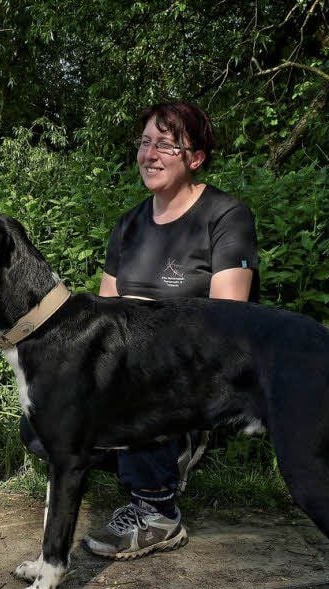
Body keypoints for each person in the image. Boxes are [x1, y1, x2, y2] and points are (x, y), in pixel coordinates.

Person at [82, 102, 259, 559]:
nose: (150, 154)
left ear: (194, 157)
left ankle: (158, 511)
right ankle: (158, 455)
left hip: (199, 367)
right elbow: (106, 310)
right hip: (129, 362)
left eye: (165, 144)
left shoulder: (225, 215)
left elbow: (227, 317)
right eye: (144, 143)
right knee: (41, 422)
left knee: (136, 386)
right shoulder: (129, 225)